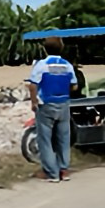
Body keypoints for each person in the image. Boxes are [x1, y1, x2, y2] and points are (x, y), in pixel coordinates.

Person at [27, 36, 78, 182]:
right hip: (64, 104)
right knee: (63, 138)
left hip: (46, 104)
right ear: (62, 48)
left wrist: (34, 102)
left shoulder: (41, 65)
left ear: (45, 49)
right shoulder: (67, 65)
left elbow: (32, 85)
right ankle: (64, 170)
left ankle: (52, 173)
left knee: (45, 140)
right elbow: (74, 85)